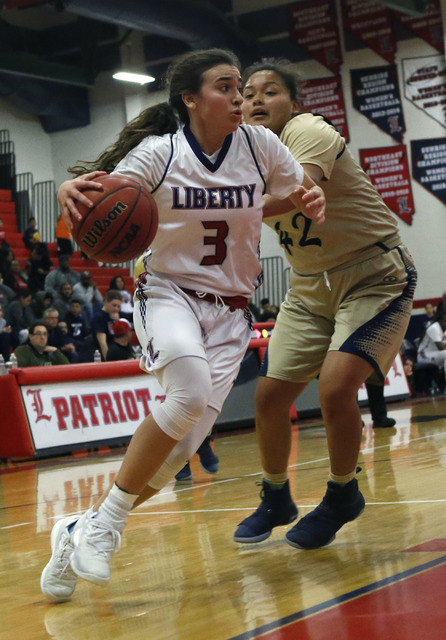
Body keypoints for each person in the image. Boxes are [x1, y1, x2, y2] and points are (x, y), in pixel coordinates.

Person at [40, 47, 325, 603]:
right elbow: (91, 209)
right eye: (225, 87)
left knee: (174, 456)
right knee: (188, 391)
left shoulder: (262, 146)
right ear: (191, 99)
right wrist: (64, 192)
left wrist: (306, 198)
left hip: (233, 311)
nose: (239, 96)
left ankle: (79, 529)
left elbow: (284, 194)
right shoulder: (158, 154)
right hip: (169, 293)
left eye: (239, 86)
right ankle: (106, 526)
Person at [232, 58, 416, 549]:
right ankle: (275, 497)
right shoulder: (234, 159)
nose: (254, 101)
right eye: (247, 94)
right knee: (269, 398)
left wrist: (221, 205)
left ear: (294, 102)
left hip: (374, 276)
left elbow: (301, 189)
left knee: (335, 388)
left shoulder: (307, 130)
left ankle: (342, 494)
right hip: (309, 286)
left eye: (269, 92)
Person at [416, 309, 446, 392]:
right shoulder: (434, 328)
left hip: (436, 354)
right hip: (424, 355)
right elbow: (441, 347)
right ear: (440, 321)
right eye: (445, 321)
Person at [91, 289, 122, 361]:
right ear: (106, 302)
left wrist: (117, 322)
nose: (116, 309)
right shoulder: (99, 317)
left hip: (115, 352)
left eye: (118, 306)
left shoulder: (116, 316)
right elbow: (102, 343)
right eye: (114, 305)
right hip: (101, 355)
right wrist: (108, 362)